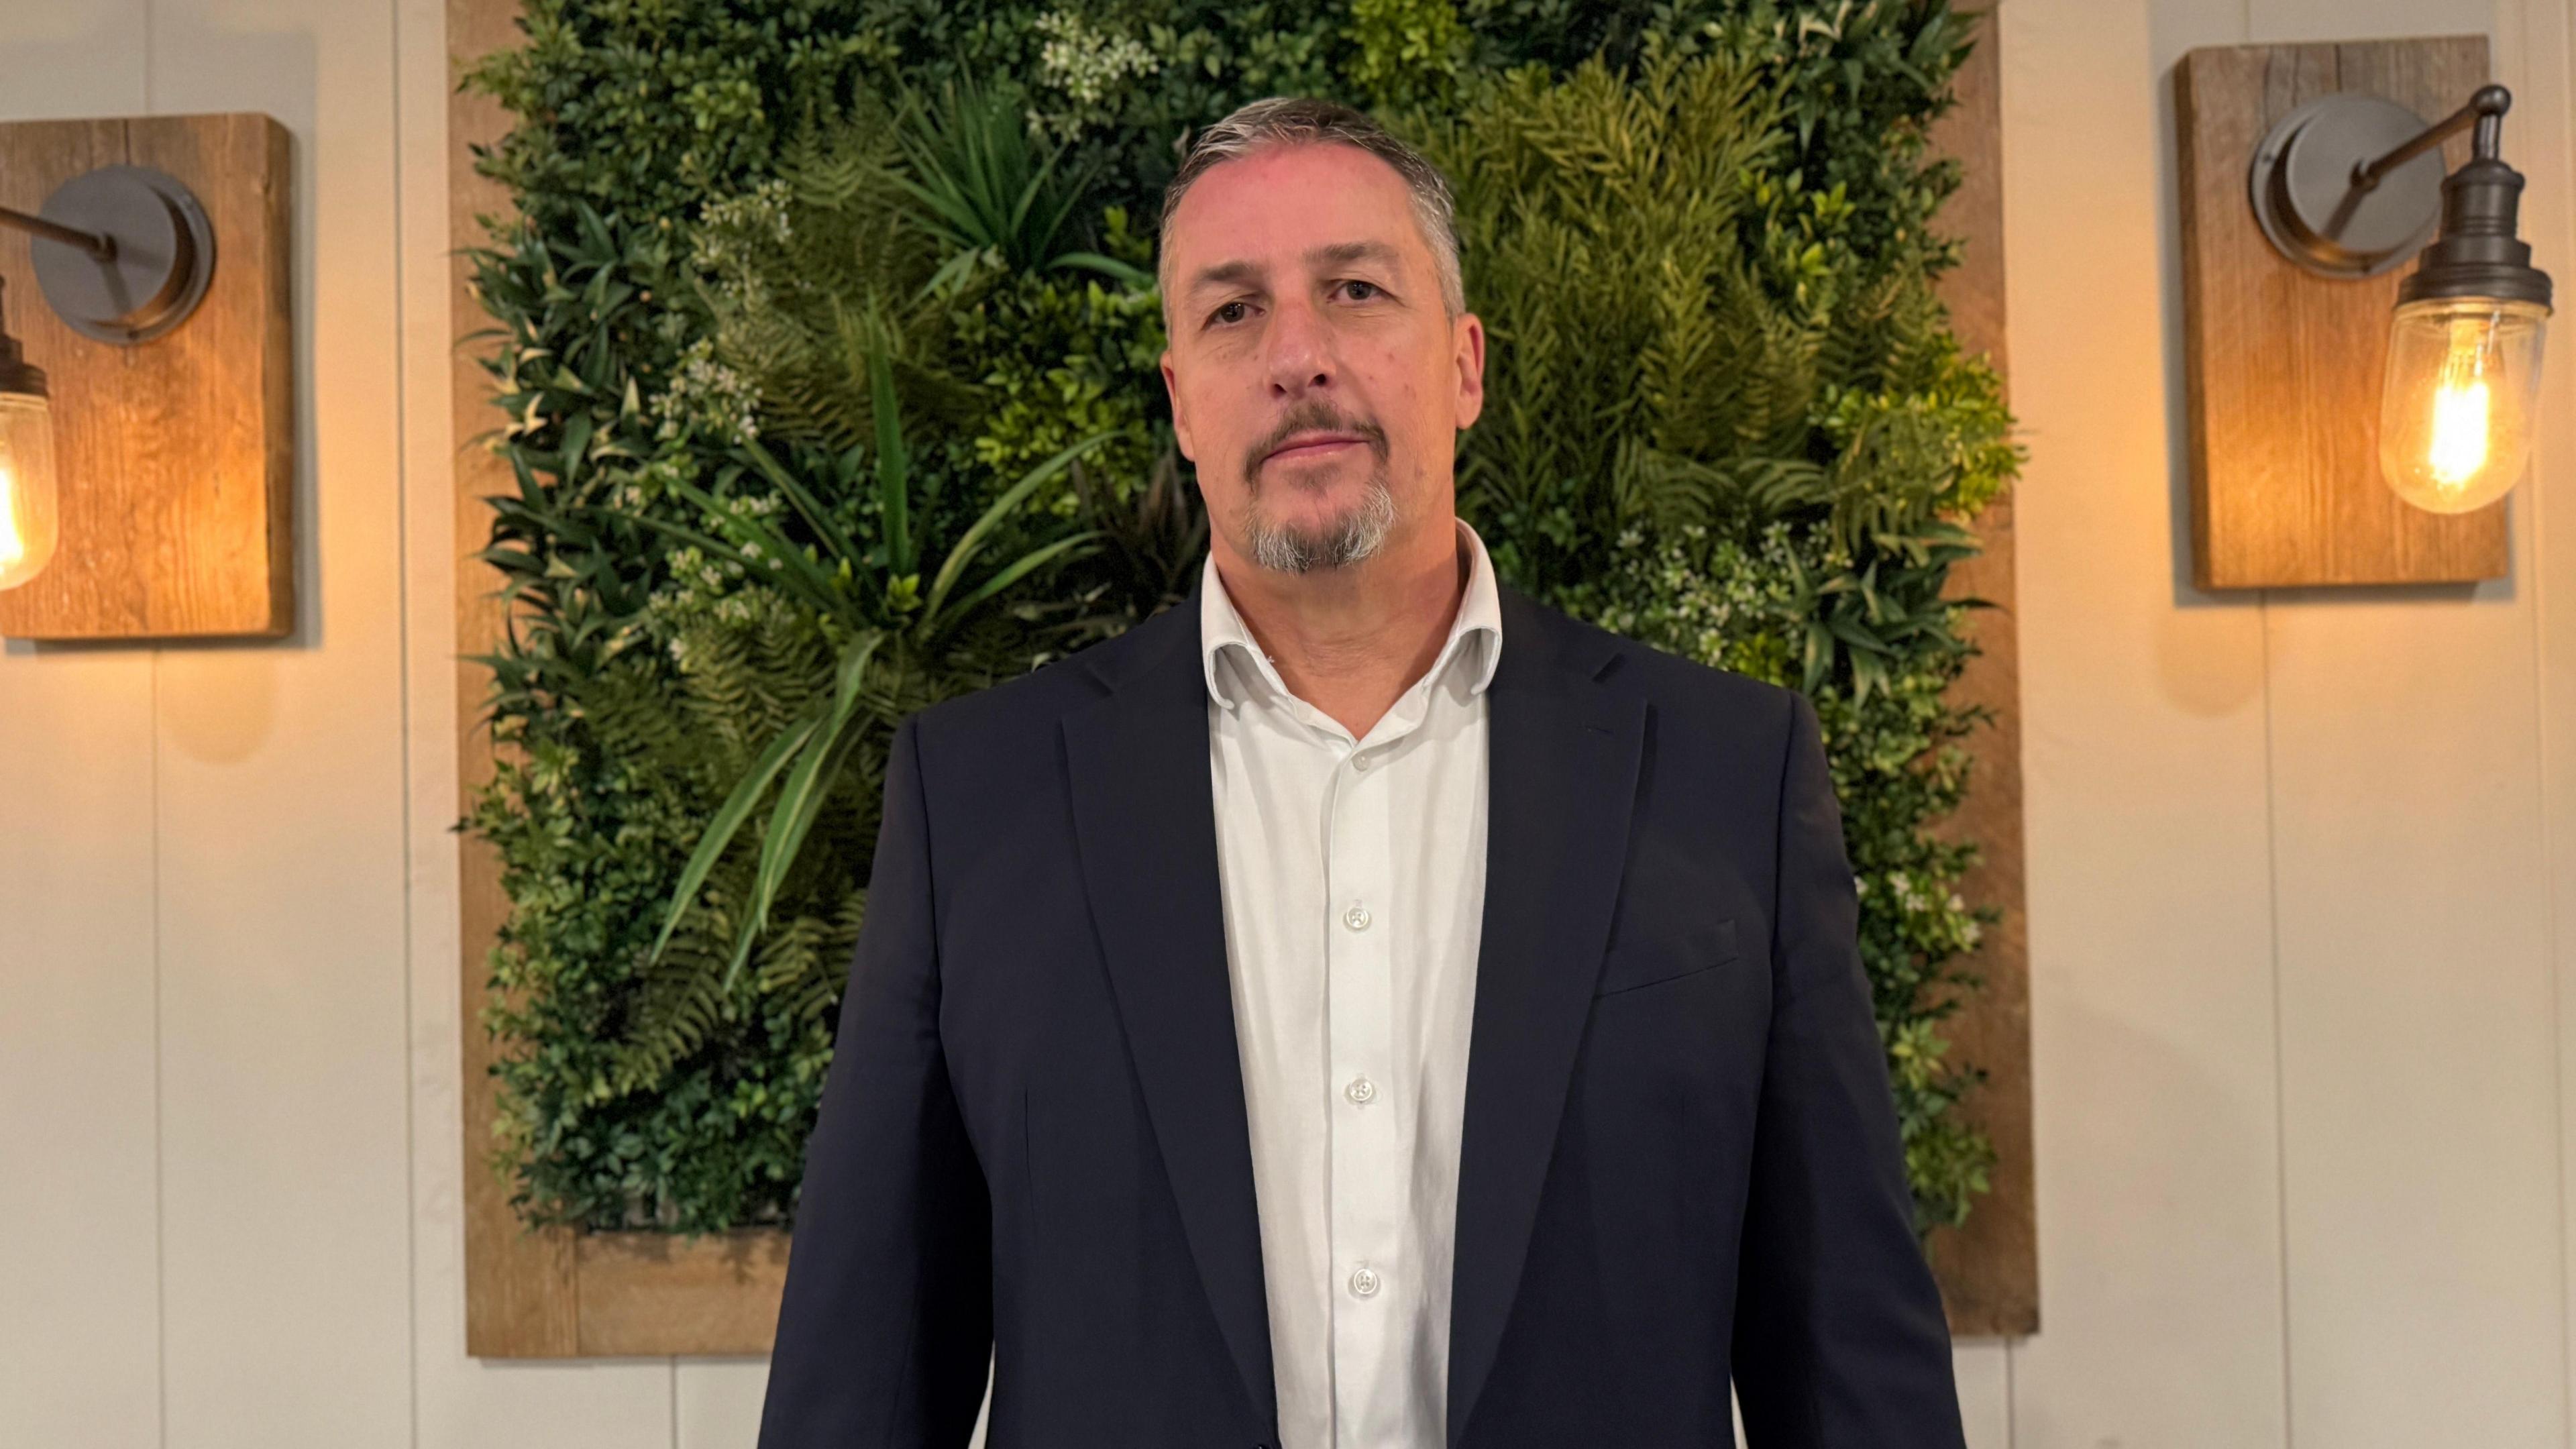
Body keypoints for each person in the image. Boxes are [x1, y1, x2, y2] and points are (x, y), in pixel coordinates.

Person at [755, 95, 1969, 1449]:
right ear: (1183, 405)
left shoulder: (1722, 775)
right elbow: (857, 1390)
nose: (1298, 356)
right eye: (1232, 312)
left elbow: (1854, 1369)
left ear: (1462, 366)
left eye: (1354, 289)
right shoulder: (975, 801)